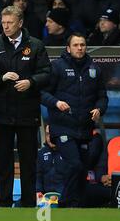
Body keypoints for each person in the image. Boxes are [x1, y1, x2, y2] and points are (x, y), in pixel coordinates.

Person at [0, 5, 51, 207]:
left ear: (20, 23)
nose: (6, 26)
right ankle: (3, 202)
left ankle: (28, 204)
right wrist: (0, 77)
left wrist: (31, 82)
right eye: (3, 23)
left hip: (27, 112)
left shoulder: (35, 45)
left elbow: (47, 73)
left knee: (29, 162)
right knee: (4, 162)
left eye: (10, 23)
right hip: (2, 112)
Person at [41, 33, 108, 207]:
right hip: (62, 127)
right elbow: (42, 93)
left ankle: (75, 206)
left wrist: (99, 109)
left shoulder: (94, 69)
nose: (80, 48)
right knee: (76, 164)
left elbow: (102, 96)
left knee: (81, 169)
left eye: (83, 45)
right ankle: (64, 202)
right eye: (76, 45)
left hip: (85, 129)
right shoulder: (57, 67)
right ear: (68, 48)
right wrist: (56, 102)